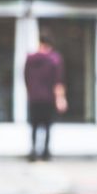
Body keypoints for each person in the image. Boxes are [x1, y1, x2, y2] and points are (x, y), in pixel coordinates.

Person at [24, 32, 68, 161]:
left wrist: (31, 91)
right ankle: (45, 153)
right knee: (47, 126)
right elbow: (58, 81)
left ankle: (33, 151)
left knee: (34, 125)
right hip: (49, 98)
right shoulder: (55, 59)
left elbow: (25, 77)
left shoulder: (30, 59)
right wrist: (60, 99)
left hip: (34, 98)